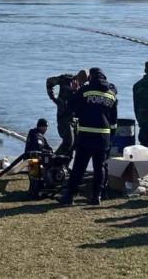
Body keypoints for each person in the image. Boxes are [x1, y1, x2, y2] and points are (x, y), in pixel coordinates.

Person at [59, 67, 117, 206]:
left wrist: (74, 91)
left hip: (86, 135)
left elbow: (72, 108)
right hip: (104, 137)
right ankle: (97, 196)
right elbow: (113, 120)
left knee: (79, 167)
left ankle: (69, 196)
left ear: (90, 77)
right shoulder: (111, 94)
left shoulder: (85, 91)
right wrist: (111, 138)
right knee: (100, 167)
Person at [46, 69, 88, 156]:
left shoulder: (85, 87)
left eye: (84, 82)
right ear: (77, 77)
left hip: (75, 119)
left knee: (74, 145)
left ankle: (63, 162)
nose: (82, 83)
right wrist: (53, 98)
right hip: (64, 116)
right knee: (68, 142)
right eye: (81, 81)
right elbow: (49, 81)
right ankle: (53, 159)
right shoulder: (65, 79)